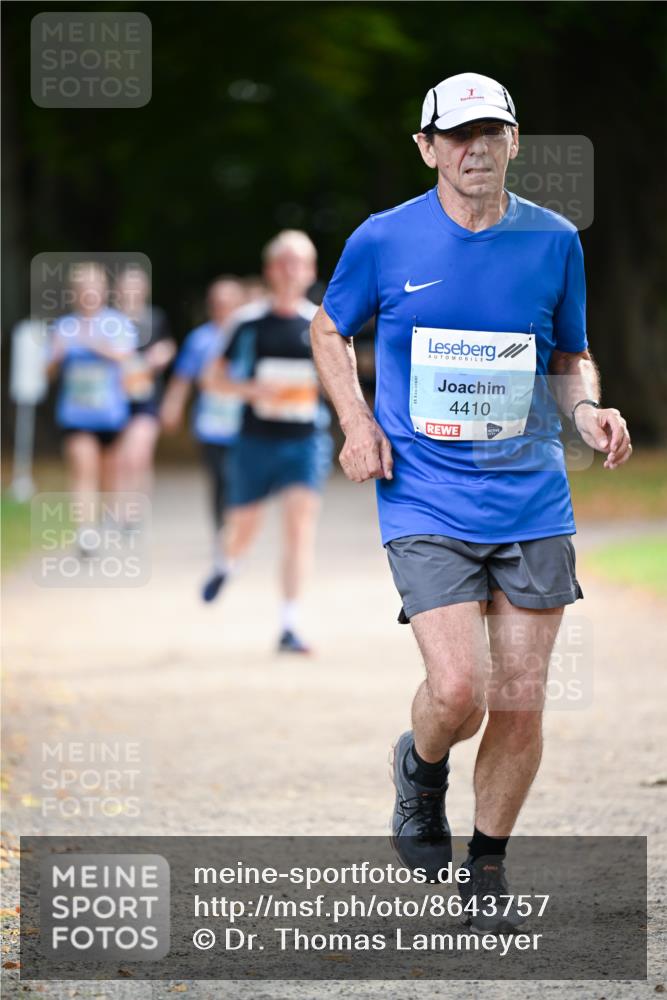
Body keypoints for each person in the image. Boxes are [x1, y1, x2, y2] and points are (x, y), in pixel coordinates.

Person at [311, 72, 632, 931]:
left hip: (530, 495)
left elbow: (568, 357)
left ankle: (484, 865)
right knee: (459, 691)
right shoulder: (383, 239)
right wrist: (355, 421)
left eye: (489, 132)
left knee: (520, 694)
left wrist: (589, 410)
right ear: (427, 148)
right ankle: (420, 770)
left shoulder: (554, 239)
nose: (474, 148)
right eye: (456, 135)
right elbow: (327, 326)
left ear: (513, 141)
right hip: (421, 492)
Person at [203, 230, 333, 653]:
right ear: (271, 269)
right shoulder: (246, 322)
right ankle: (228, 563)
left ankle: (289, 625)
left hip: (304, 440)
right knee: (244, 527)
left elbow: (339, 381)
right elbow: (212, 377)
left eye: (302, 262)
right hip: (255, 440)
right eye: (286, 261)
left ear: (311, 271)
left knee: (298, 527)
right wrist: (252, 392)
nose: (293, 269)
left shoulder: (321, 323)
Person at [160, 277, 246, 593]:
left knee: (239, 481)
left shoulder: (248, 334)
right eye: (218, 302)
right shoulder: (199, 340)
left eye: (229, 301)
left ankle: (235, 538)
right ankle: (222, 535)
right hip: (211, 427)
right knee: (219, 482)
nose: (223, 307)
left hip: (244, 427)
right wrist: (172, 405)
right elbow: (182, 378)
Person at [47, 261, 137, 554]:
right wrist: (56, 357)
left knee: (110, 476)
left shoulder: (117, 323)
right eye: (82, 288)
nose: (88, 293)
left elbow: (127, 359)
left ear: (103, 291)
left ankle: (111, 518)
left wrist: (93, 345)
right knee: (83, 469)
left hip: (111, 414)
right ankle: (86, 532)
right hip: (76, 414)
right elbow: (47, 373)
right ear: (73, 292)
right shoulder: (63, 326)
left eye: (93, 287)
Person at [113, 266, 176, 497]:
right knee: (119, 458)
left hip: (146, 396)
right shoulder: (108, 321)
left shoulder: (155, 318)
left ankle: (135, 511)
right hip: (113, 398)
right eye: (126, 287)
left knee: (138, 454)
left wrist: (162, 354)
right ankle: (117, 510)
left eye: (136, 287)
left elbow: (169, 345)